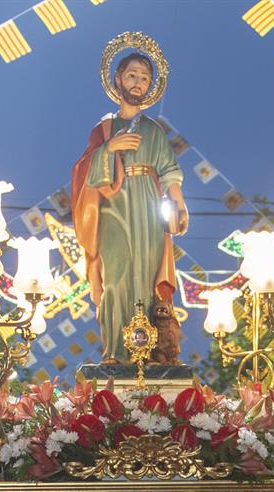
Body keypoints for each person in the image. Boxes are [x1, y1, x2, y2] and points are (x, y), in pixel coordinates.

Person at [71, 47, 189, 363]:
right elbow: (84, 171)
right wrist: (109, 148)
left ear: (150, 87)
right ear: (118, 80)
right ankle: (115, 353)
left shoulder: (153, 130)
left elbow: (168, 170)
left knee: (148, 278)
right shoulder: (104, 129)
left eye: (145, 78)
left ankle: (149, 353)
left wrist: (177, 203)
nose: (138, 82)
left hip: (149, 208)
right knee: (116, 276)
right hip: (113, 208)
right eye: (132, 75)